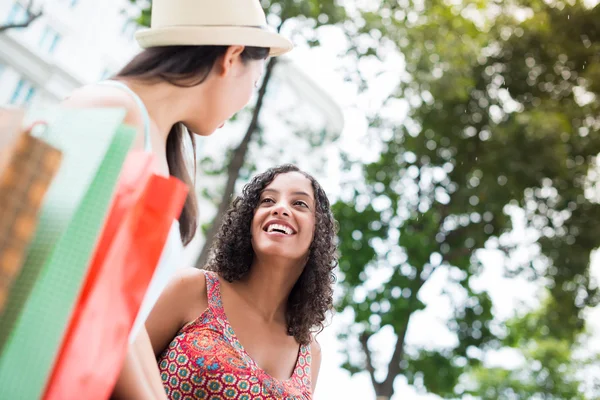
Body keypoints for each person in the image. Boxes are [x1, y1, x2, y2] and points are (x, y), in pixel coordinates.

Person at [61, 0, 293, 398]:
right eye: (253, 84)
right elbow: (75, 293)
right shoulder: (112, 109)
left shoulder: (155, 142)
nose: (245, 103)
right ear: (232, 57)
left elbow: (123, 319)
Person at [146, 164, 338, 399]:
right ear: (249, 221)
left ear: (318, 235)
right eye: (267, 200)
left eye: (299, 203)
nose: (280, 208)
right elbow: (117, 360)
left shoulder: (310, 354)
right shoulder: (194, 288)